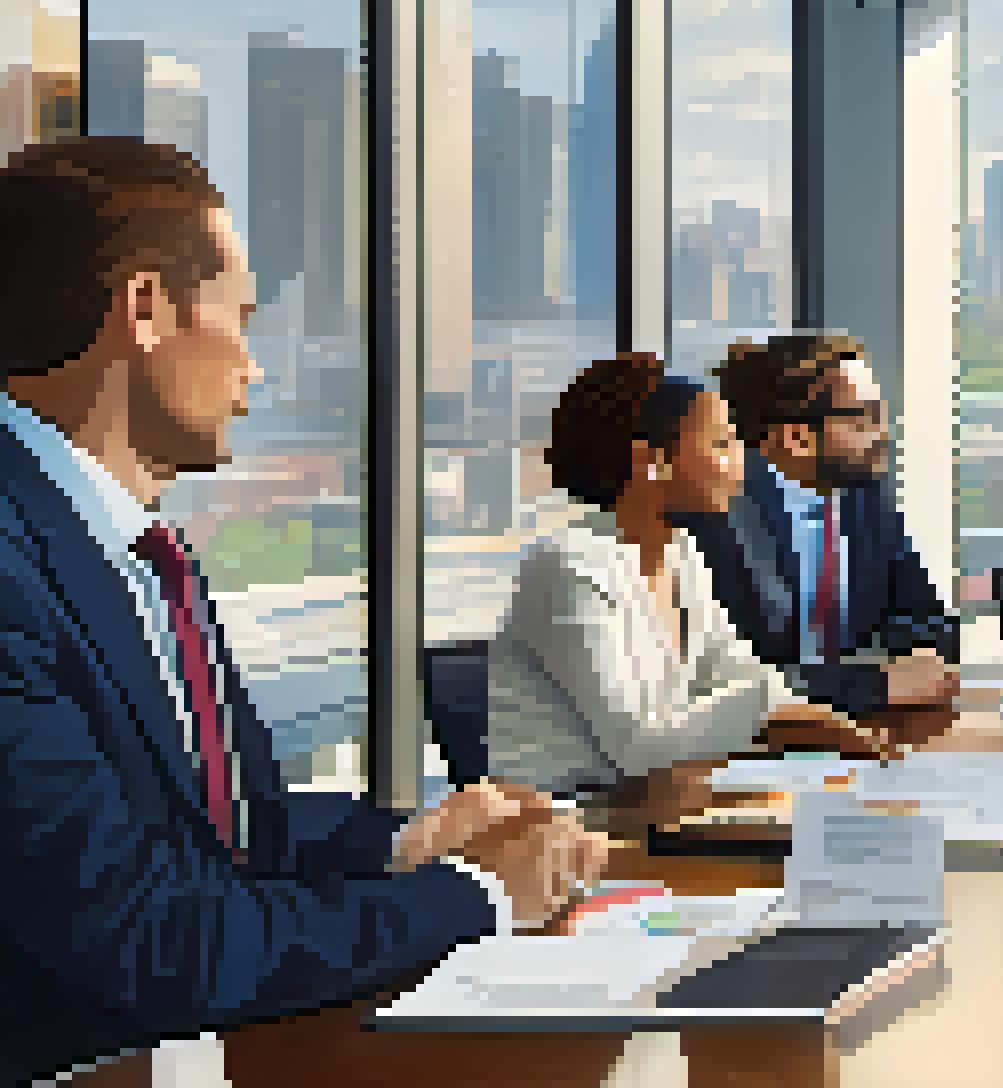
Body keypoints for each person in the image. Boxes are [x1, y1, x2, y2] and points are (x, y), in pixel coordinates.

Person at [0, 138, 608, 1085]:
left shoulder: (136, 548)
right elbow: (145, 939)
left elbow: (226, 830)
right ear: (146, 309)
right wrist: (478, 894)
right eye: (239, 321)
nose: (255, 371)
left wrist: (415, 839)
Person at [483, 353, 884, 818]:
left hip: (653, 808)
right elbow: (637, 745)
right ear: (651, 461)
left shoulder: (679, 552)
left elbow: (730, 667)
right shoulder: (570, 567)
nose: (740, 464)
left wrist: (817, 722)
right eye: (722, 444)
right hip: (562, 826)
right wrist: (776, 713)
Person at [674, 332, 960, 738]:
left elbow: (929, 622)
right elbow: (724, 678)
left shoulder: (863, 496)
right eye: (864, 418)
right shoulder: (712, 515)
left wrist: (906, 661)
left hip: (862, 734)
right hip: (753, 744)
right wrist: (870, 683)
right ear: (797, 438)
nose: (883, 433)